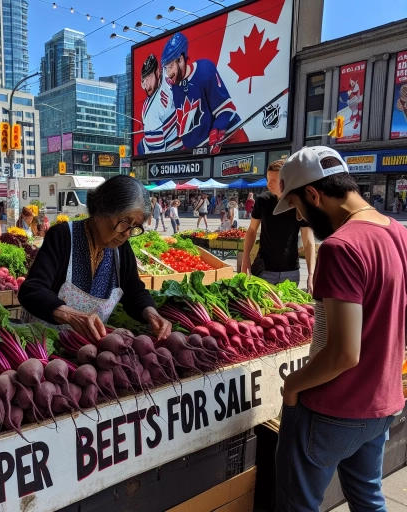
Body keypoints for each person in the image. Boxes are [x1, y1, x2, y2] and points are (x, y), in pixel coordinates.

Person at [274, 146, 407, 511]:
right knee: (368, 498)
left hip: (334, 408)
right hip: (382, 403)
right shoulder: (399, 233)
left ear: (314, 195)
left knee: (296, 504)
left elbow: (343, 353)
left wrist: (292, 384)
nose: (302, 219)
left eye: (300, 209)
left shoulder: (341, 246)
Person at [18, 176, 172, 342]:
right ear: (100, 210)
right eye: (124, 222)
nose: (127, 233)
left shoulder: (121, 249)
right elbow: (31, 290)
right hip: (42, 348)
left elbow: (135, 293)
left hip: (86, 353)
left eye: (135, 227)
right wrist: (69, 315)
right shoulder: (63, 237)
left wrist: (151, 313)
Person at [161, 32, 248, 154]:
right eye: (166, 68)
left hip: (231, 139)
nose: (168, 73)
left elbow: (226, 109)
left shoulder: (204, 71)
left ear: (181, 59)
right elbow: (183, 127)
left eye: (170, 66)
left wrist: (217, 130)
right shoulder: (174, 88)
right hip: (202, 152)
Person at [241, 160, 316, 293]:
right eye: (268, 179)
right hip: (264, 270)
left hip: (291, 271)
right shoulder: (263, 200)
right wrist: (245, 258)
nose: (269, 184)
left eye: (273, 180)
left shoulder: (299, 203)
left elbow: (308, 240)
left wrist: (311, 273)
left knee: (287, 309)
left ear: (285, 180)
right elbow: (252, 230)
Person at [137, 54, 182, 155]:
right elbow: (157, 153)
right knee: (141, 148)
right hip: (173, 148)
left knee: (141, 147)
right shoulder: (149, 112)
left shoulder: (167, 73)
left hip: (178, 142)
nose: (147, 85)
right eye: (144, 80)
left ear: (157, 72)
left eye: (150, 77)